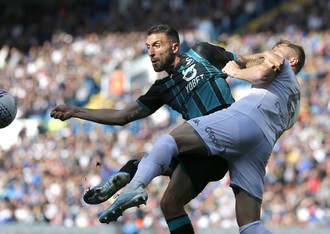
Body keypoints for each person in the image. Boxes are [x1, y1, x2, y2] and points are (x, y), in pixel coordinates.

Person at [50, 24, 282, 233]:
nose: (151, 52)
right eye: (148, 47)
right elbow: (122, 115)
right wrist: (76, 111)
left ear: (174, 46)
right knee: (166, 198)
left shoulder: (202, 52)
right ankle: (128, 177)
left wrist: (267, 56)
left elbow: (242, 60)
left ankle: (134, 185)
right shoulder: (162, 88)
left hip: (223, 131)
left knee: (166, 146)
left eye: (157, 45)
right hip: (205, 151)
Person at [98, 40, 305, 234]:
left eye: (279, 47)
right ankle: (135, 177)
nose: (273, 50)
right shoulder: (295, 102)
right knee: (250, 225)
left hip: (246, 122)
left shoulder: (282, 65)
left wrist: (236, 71)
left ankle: (135, 186)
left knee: (170, 141)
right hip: (261, 147)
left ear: (292, 60)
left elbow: (262, 72)